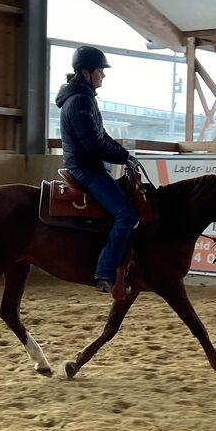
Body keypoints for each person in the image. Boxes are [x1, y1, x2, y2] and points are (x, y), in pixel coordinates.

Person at [55, 45, 139, 294]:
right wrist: (124, 157)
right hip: (86, 169)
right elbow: (93, 144)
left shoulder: (82, 98)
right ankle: (104, 272)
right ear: (85, 71)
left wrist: (125, 156)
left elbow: (101, 135)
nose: (103, 74)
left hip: (86, 165)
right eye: (100, 70)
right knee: (127, 215)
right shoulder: (80, 101)